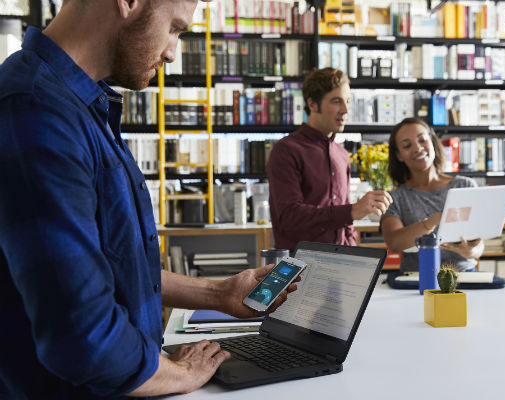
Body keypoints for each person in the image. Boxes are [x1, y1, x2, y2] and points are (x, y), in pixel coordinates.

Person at [0, 0, 298, 398]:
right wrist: (179, 374)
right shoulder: (35, 109)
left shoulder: (80, 105)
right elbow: (81, 338)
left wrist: (217, 294)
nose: (173, 52)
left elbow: (103, 265)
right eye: (175, 28)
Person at [266, 68, 393, 251]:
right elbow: (289, 218)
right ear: (312, 104)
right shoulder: (286, 151)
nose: (345, 110)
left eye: (348, 101)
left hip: (341, 264)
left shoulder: (341, 154)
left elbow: (347, 224)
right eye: (336, 101)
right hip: (300, 268)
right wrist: (351, 211)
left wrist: (352, 252)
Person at [380, 117, 484, 272]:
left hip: (463, 276)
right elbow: (394, 243)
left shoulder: (465, 186)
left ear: (433, 143)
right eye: (407, 145)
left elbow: (479, 245)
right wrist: (433, 221)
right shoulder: (394, 198)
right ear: (399, 155)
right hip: (416, 281)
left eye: (422, 140)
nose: (417, 148)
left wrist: (470, 252)